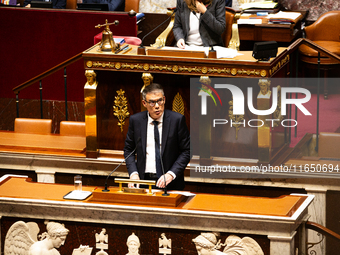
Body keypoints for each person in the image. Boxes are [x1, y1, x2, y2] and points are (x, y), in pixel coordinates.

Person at [124, 83, 190, 191]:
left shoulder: (177, 120)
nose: (157, 106)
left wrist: (171, 174)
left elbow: (187, 150)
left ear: (164, 99)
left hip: (170, 183)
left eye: (160, 101)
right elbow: (128, 150)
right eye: (152, 102)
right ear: (144, 103)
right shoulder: (136, 121)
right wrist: (133, 173)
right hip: (142, 182)